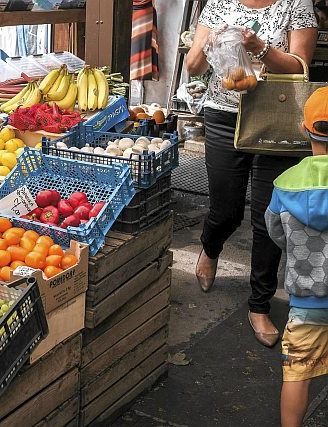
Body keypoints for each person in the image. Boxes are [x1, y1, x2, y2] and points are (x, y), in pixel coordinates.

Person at [186, 0, 318, 347]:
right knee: (225, 209)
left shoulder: (297, 4)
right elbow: (193, 67)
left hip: (273, 116)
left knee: (268, 217)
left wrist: (260, 47)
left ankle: (259, 304)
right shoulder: (217, 4)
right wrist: (209, 43)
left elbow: (300, 66)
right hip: (222, 116)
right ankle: (210, 247)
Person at [264, 87, 328, 427]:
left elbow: (275, 231)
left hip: (306, 301)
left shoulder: (285, 184)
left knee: (297, 374)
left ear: (304, 130)